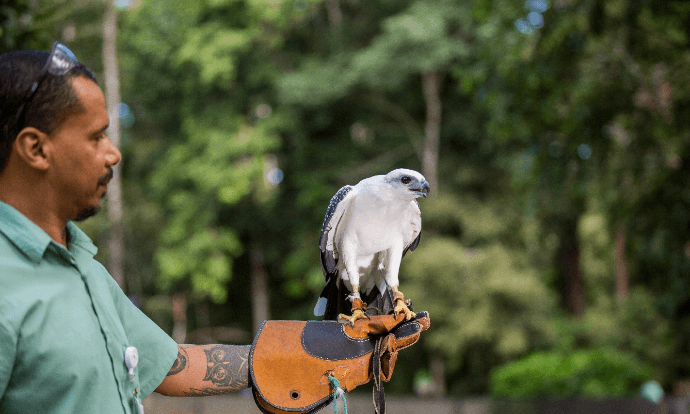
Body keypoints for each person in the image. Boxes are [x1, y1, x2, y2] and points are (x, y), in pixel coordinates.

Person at [0, 43, 426, 414]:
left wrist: (320, 351)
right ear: (36, 148)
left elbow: (172, 367)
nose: (113, 154)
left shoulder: (80, 266)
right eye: (96, 137)